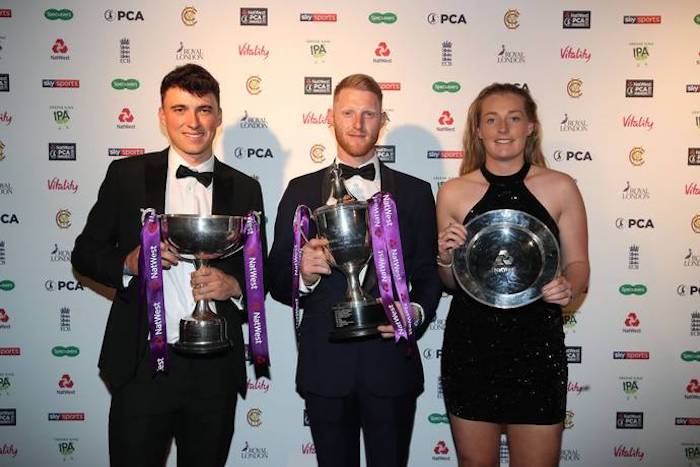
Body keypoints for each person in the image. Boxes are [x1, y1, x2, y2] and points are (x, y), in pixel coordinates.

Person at [71, 64, 266, 467]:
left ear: (219, 116)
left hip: (214, 367)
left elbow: (260, 270)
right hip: (143, 365)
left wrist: (235, 286)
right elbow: (85, 253)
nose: (193, 122)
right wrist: (130, 262)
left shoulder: (246, 187)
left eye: (204, 109)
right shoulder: (126, 176)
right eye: (180, 109)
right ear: (162, 116)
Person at [268, 74, 441, 467]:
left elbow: (428, 275)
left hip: (391, 366)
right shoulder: (300, 191)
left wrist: (411, 315)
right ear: (331, 117)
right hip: (326, 367)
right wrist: (304, 275)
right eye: (348, 112)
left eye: (369, 114)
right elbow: (276, 276)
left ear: (382, 120)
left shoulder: (414, 192)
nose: (358, 123)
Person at [436, 83, 589, 467]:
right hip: (471, 348)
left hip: (536, 349)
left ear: (531, 127)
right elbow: (452, 284)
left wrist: (570, 286)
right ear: (478, 131)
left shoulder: (560, 187)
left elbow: (579, 265)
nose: (503, 128)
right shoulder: (453, 192)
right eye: (492, 119)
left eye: (514, 118)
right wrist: (444, 258)